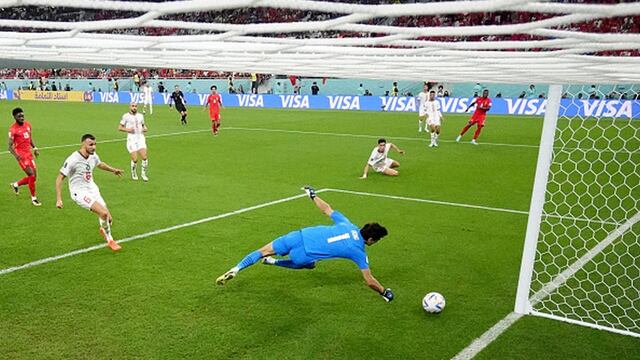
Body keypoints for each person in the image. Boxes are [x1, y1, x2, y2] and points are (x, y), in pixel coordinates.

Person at [216, 186, 395, 303]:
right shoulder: (359, 252)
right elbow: (369, 280)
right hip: (304, 255)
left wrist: (313, 195)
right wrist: (383, 292)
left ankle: (237, 268)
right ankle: (274, 262)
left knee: (261, 251)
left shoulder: (347, 224)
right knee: (308, 265)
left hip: (299, 236)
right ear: (371, 240)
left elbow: (327, 209)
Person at [55, 134, 124, 252]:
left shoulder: (93, 156)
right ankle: (110, 240)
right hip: (79, 192)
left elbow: (100, 164)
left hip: (92, 188)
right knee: (103, 213)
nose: (94, 147)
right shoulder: (73, 159)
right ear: (83, 144)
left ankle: (103, 229)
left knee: (108, 219)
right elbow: (59, 178)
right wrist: (59, 199)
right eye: (91, 145)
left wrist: (113, 170)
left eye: (95, 144)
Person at [8, 107, 41, 206]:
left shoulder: (28, 125)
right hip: (21, 156)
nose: (22, 118)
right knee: (31, 175)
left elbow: (29, 138)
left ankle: (15, 185)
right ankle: (34, 198)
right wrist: (16, 156)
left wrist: (35, 148)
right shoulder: (13, 129)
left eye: (22, 116)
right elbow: (9, 146)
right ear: (14, 117)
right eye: (19, 116)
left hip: (29, 154)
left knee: (34, 178)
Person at [118, 102, 149, 181]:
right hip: (131, 139)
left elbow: (143, 125)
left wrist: (145, 128)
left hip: (141, 137)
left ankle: (143, 174)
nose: (134, 108)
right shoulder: (126, 116)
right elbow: (120, 127)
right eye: (133, 106)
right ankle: (134, 172)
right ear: (130, 107)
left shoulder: (140, 116)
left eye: (135, 106)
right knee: (135, 159)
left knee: (144, 157)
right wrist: (128, 129)